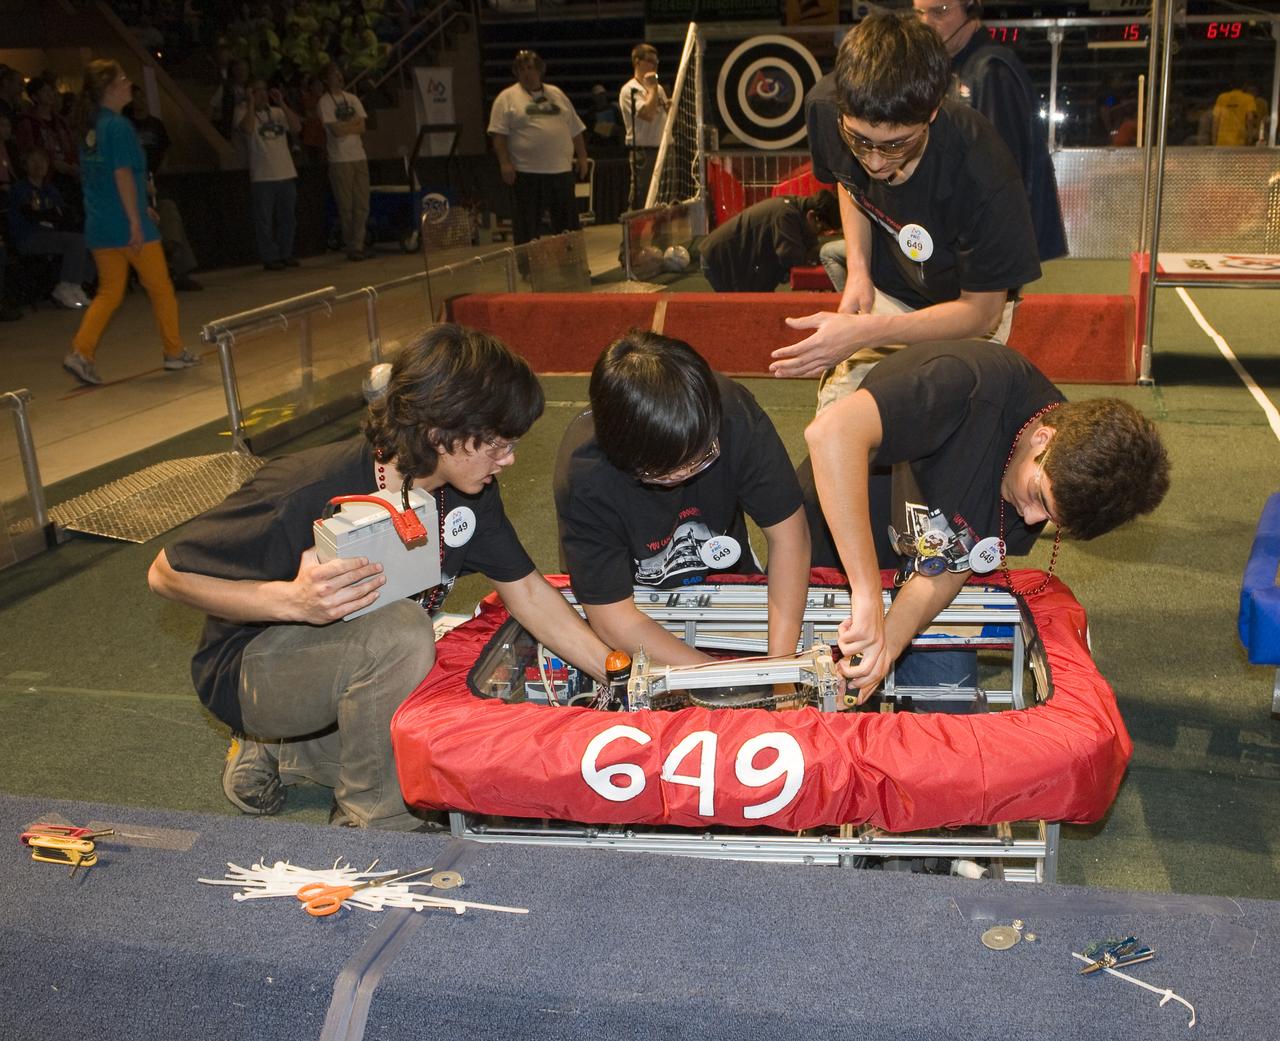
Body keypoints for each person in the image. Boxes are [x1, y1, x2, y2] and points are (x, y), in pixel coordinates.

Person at [148, 324, 615, 831]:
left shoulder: (466, 492)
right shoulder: (307, 484)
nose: (509, 460)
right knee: (403, 634)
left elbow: (526, 591)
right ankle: (374, 815)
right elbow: (165, 574)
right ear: (442, 434)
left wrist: (619, 672)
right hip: (247, 672)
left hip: (338, 655)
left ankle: (289, 755)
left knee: (434, 671)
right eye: (498, 444)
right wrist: (291, 601)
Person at [803, 339, 1169, 701]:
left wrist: (888, 645)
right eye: (1038, 497)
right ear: (1042, 438)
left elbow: (954, 562)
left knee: (949, 708)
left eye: (1050, 519)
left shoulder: (1068, 474)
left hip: (916, 562)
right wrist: (866, 595)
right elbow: (830, 433)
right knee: (805, 709)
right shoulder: (967, 385)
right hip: (836, 538)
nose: (1029, 518)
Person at [771, 12, 1040, 412]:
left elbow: (983, 314)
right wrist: (859, 273)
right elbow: (849, 182)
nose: (875, 162)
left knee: (936, 423)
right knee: (838, 419)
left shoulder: (983, 169)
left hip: (965, 311)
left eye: (897, 145)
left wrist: (866, 333)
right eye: (860, 139)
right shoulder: (825, 108)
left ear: (932, 111)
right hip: (892, 287)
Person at [554, 331, 811, 665]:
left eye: (704, 456)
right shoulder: (587, 475)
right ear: (626, 462)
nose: (690, 471)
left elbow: (789, 536)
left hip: (728, 581)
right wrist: (723, 681)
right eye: (670, 471)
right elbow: (613, 619)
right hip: (635, 604)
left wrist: (779, 664)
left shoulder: (731, 413)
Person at [63, 60, 200, 386]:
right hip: (126, 226)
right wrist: (136, 220)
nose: (129, 84)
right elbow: (122, 174)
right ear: (109, 89)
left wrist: (140, 207)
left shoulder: (92, 128)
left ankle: (81, 353)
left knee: (109, 292)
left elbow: (102, 179)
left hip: (99, 224)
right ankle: (174, 352)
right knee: (161, 288)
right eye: (123, 79)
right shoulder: (119, 127)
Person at [912, 0, 1067, 262]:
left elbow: (1000, 171)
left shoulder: (991, 70)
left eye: (940, 11)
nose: (927, 23)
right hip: (972, 233)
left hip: (990, 238)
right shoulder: (955, 67)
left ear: (971, 9)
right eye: (919, 13)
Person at [487, 50, 588, 247]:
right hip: (527, 173)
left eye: (531, 68)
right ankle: (528, 269)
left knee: (568, 223)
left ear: (540, 70)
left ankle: (571, 264)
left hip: (560, 171)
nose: (527, 73)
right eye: (522, 69)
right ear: (517, 73)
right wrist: (505, 163)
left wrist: (582, 157)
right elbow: (498, 135)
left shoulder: (556, 94)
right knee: (527, 225)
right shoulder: (506, 97)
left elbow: (576, 128)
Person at [124, 85, 203, 291]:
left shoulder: (155, 124)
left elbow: (165, 148)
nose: (140, 101)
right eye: (136, 97)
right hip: (131, 185)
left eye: (142, 96)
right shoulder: (125, 126)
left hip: (153, 178)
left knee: (168, 211)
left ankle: (176, 262)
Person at [700, 190, 838, 293]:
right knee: (743, 310)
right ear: (812, 216)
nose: (820, 234)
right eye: (822, 230)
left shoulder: (797, 213)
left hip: (735, 260)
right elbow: (791, 257)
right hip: (721, 259)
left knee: (752, 307)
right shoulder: (786, 214)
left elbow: (810, 249)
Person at [7, 149, 95, 309]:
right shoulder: (20, 188)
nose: (38, 165)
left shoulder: (49, 189)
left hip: (51, 234)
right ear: (25, 166)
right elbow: (31, 215)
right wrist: (50, 214)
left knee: (86, 239)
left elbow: (64, 215)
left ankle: (76, 286)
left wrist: (48, 214)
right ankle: (65, 287)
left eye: (42, 161)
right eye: (33, 161)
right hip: (29, 236)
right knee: (76, 241)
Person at [236, 78, 300, 270]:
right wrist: (251, 104)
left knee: (288, 217)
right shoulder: (242, 112)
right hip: (263, 176)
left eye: (264, 90)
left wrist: (281, 102)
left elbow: (296, 127)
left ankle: (285, 253)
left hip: (285, 172)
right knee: (264, 219)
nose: (262, 94)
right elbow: (246, 129)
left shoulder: (278, 112)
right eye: (257, 91)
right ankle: (270, 257)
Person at [317, 62, 370, 261]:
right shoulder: (325, 102)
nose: (339, 77)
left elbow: (362, 126)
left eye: (340, 72)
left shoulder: (353, 98)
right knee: (346, 205)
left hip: (359, 155)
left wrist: (345, 126)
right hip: (340, 159)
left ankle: (359, 243)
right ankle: (351, 245)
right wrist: (351, 125)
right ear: (326, 79)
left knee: (362, 203)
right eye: (334, 74)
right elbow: (335, 132)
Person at [619, 43, 669, 211]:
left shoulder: (659, 89)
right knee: (644, 196)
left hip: (663, 148)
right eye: (649, 61)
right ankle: (637, 232)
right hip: (644, 152)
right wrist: (653, 87)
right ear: (637, 62)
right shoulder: (629, 90)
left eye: (656, 61)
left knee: (664, 196)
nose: (654, 65)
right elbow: (647, 114)